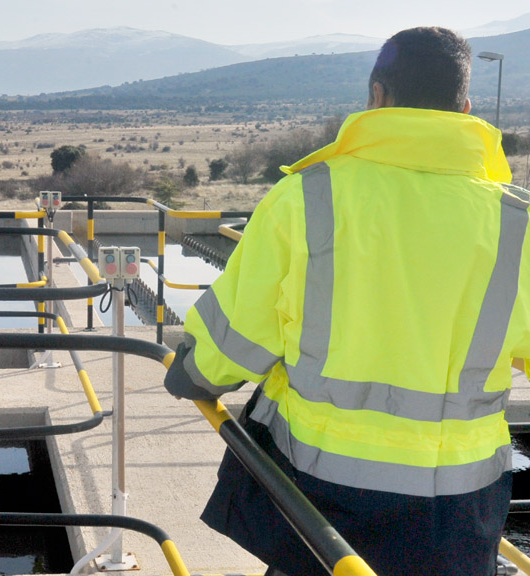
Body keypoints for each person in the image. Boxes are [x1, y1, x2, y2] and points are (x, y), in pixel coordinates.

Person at [164, 27, 527, 576]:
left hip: (321, 502)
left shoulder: (306, 196)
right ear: (466, 108)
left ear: (377, 97)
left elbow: (238, 335)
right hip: (458, 509)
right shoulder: (516, 223)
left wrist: (194, 371)